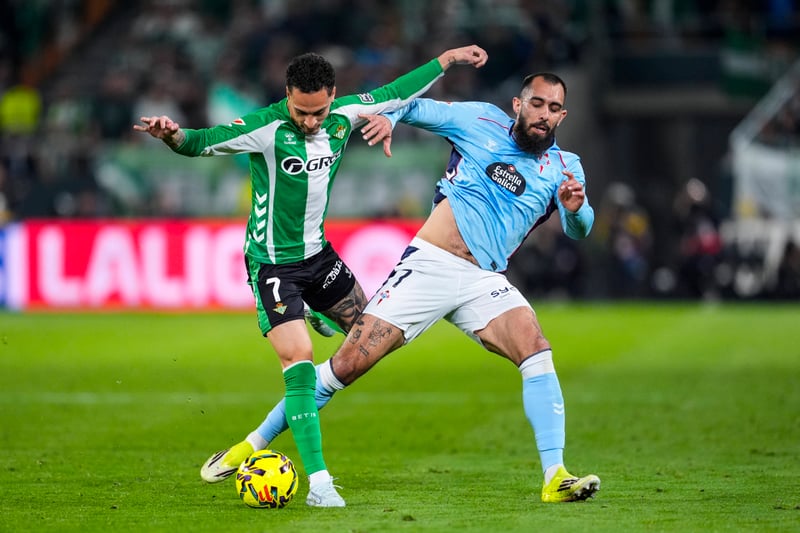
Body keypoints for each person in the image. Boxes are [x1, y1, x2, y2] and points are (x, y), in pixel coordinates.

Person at [203, 71, 600, 504]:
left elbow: (580, 228)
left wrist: (575, 209)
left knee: (536, 349)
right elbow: (414, 106)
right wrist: (390, 119)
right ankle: (251, 443)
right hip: (430, 266)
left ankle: (555, 475)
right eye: (537, 104)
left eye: (554, 108)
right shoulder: (479, 119)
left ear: (562, 116)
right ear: (518, 104)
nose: (544, 114)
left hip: (484, 279)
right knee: (344, 367)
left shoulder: (566, 167)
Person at [133, 44, 489, 508]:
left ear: (332, 96)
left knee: (377, 338)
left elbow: (397, 91)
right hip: (273, 266)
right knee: (300, 363)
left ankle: (255, 438)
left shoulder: (342, 117)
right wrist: (172, 135)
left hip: (320, 258)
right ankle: (320, 484)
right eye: (301, 112)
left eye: (318, 112)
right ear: (287, 96)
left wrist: (448, 59)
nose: (310, 121)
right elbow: (202, 141)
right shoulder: (265, 127)